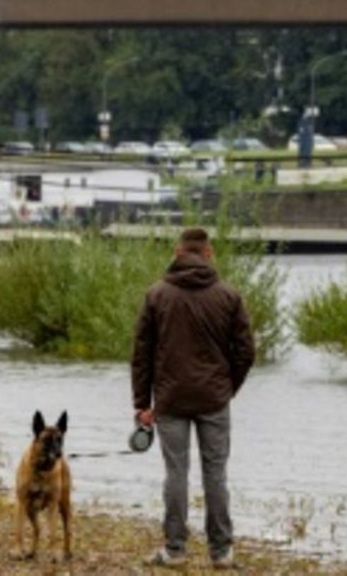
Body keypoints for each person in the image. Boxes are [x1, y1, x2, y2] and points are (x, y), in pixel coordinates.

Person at [132, 227, 255, 569]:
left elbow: (142, 354)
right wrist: (228, 387)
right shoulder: (228, 295)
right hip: (214, 398)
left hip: (170, 399)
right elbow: (246, 352)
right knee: (215, 474)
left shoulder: (156, 295)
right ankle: (221, 552)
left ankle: (174, 550)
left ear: (178, 252)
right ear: (209, 253)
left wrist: (142, 404)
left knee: (176, 473)